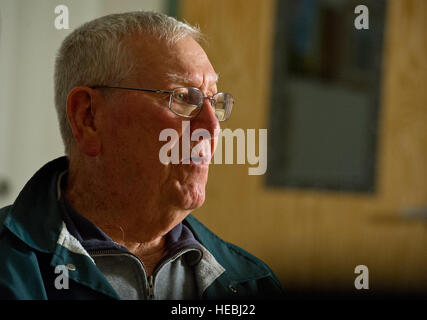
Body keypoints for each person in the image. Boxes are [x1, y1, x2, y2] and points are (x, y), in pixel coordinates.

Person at [0, 11, 283, 300]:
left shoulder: (251, 283)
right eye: (184, 97)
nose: (212, 128)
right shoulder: (10, 269)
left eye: (215, 102)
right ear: (89, 118)